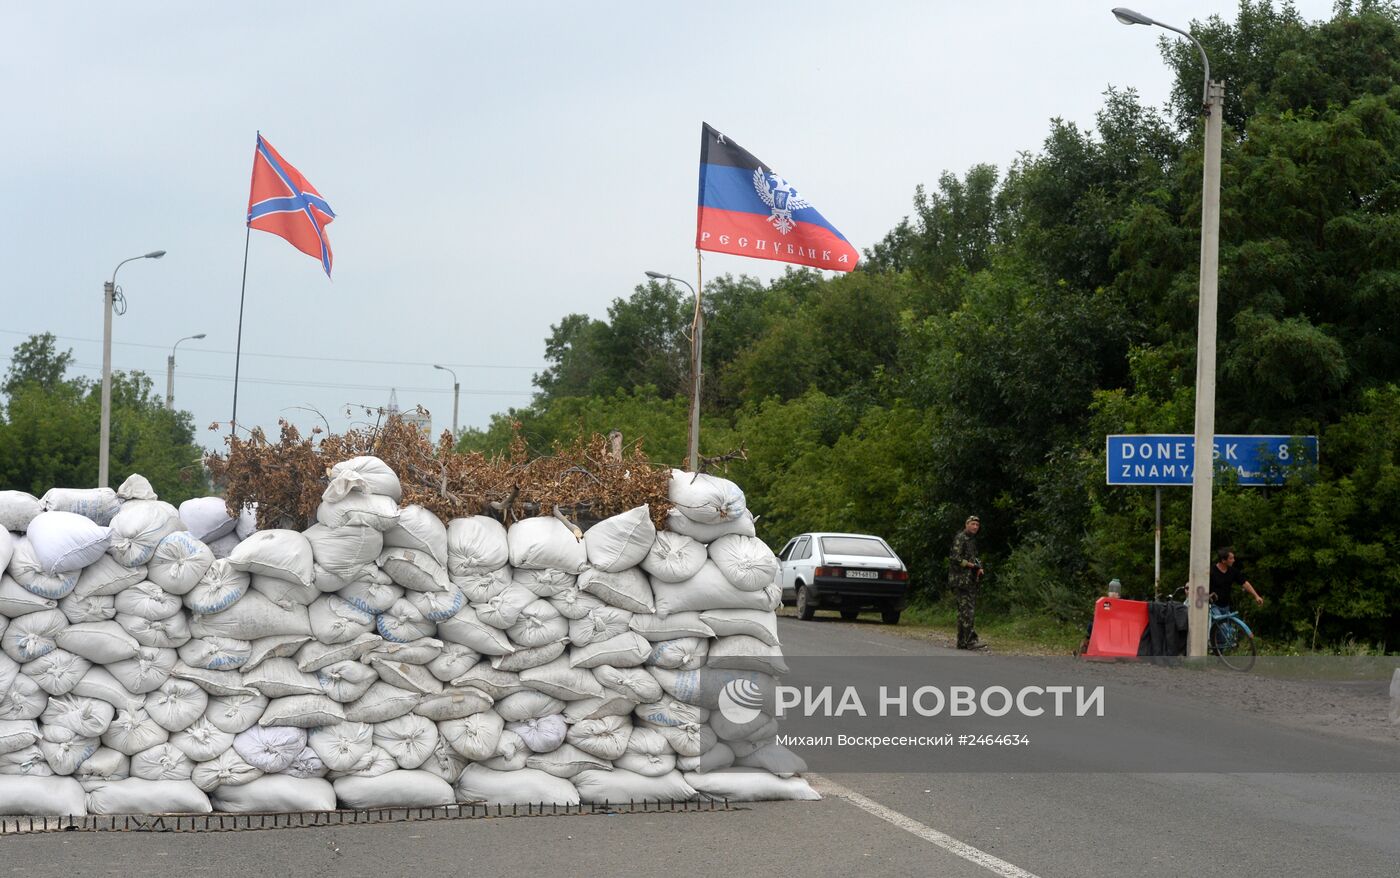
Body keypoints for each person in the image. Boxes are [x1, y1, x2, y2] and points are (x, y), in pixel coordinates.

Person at [949, 515, 985, 649]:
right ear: (966, 525)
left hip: (969, 580)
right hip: (960, 581)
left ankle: (962, 642)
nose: (975, 527)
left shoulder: (971, 540)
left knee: (965, 611)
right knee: (967, 611)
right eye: (973, 524)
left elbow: (973, 558)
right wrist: (970, 565)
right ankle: (969, 641)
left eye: (977, 525)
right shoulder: (961, 538)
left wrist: (978, 567)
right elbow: (954, 558)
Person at [1209, 547, 1264, 613]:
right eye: (1231, 558)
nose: (1233, 560)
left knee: (1228, 623)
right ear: (1223, 560)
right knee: (1222, 623)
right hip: (1213, 606)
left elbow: (1244, 583)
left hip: (1226, 606)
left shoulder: (1233, 571)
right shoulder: (1211, 571)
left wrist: (1256, 596)